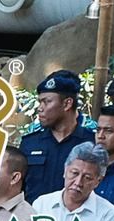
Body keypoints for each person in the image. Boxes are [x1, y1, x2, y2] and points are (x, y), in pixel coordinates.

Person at [22, 72, 95, 203]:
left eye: (47, 102)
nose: (40, 108)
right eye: (40, 102)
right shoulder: (30, 143)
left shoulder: (91, 143)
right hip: (34, 218)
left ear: (67, 104)